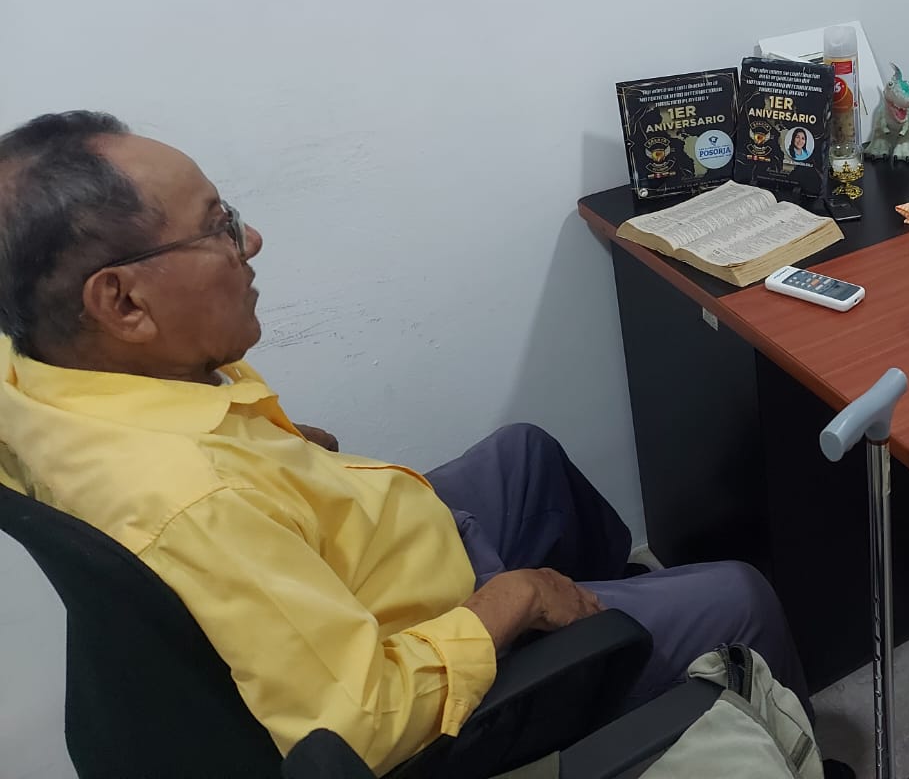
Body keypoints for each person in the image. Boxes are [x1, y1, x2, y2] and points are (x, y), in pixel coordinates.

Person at [0, 112, 825, 776]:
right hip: (403, 666)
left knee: (526, 454)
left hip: (362, 554)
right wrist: (517, 599)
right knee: (737, 597)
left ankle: (617, 654)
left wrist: (276, 444)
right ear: (122, 303)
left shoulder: (39, 373)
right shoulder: (193, 500)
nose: (250, 243)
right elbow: (358, 724)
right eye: (218, 227)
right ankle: (753, 725)